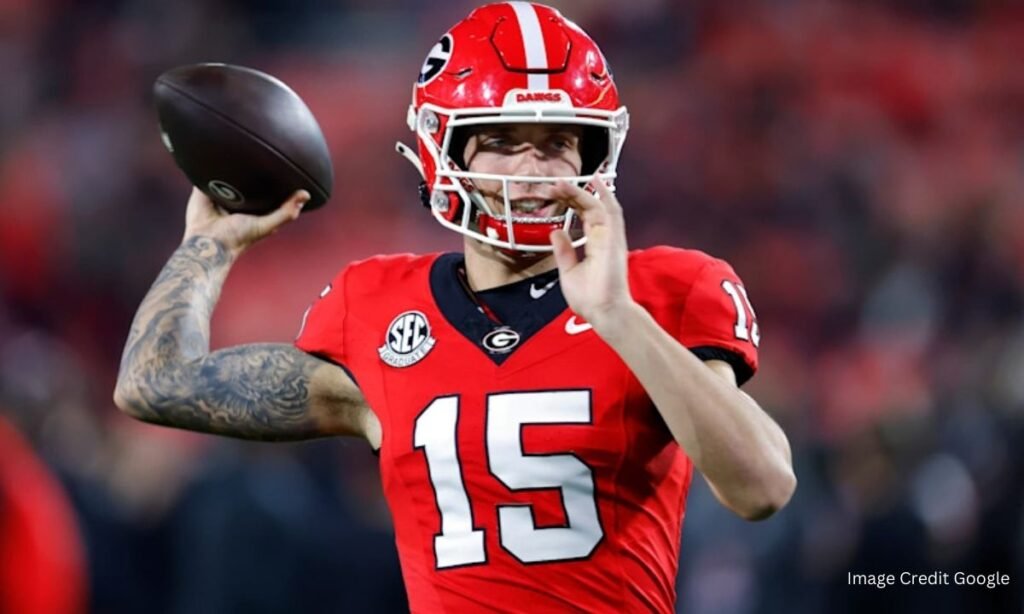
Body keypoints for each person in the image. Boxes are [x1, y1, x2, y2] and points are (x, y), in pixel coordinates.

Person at [114, 3, 796, 611]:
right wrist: (207, 248)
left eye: (558, 143)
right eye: (501, 141)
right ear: (441, 148)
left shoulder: (667, 288)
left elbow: (762, 487)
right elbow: (153, 384)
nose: (532, 171)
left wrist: (617, 314)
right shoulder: (375, 307)